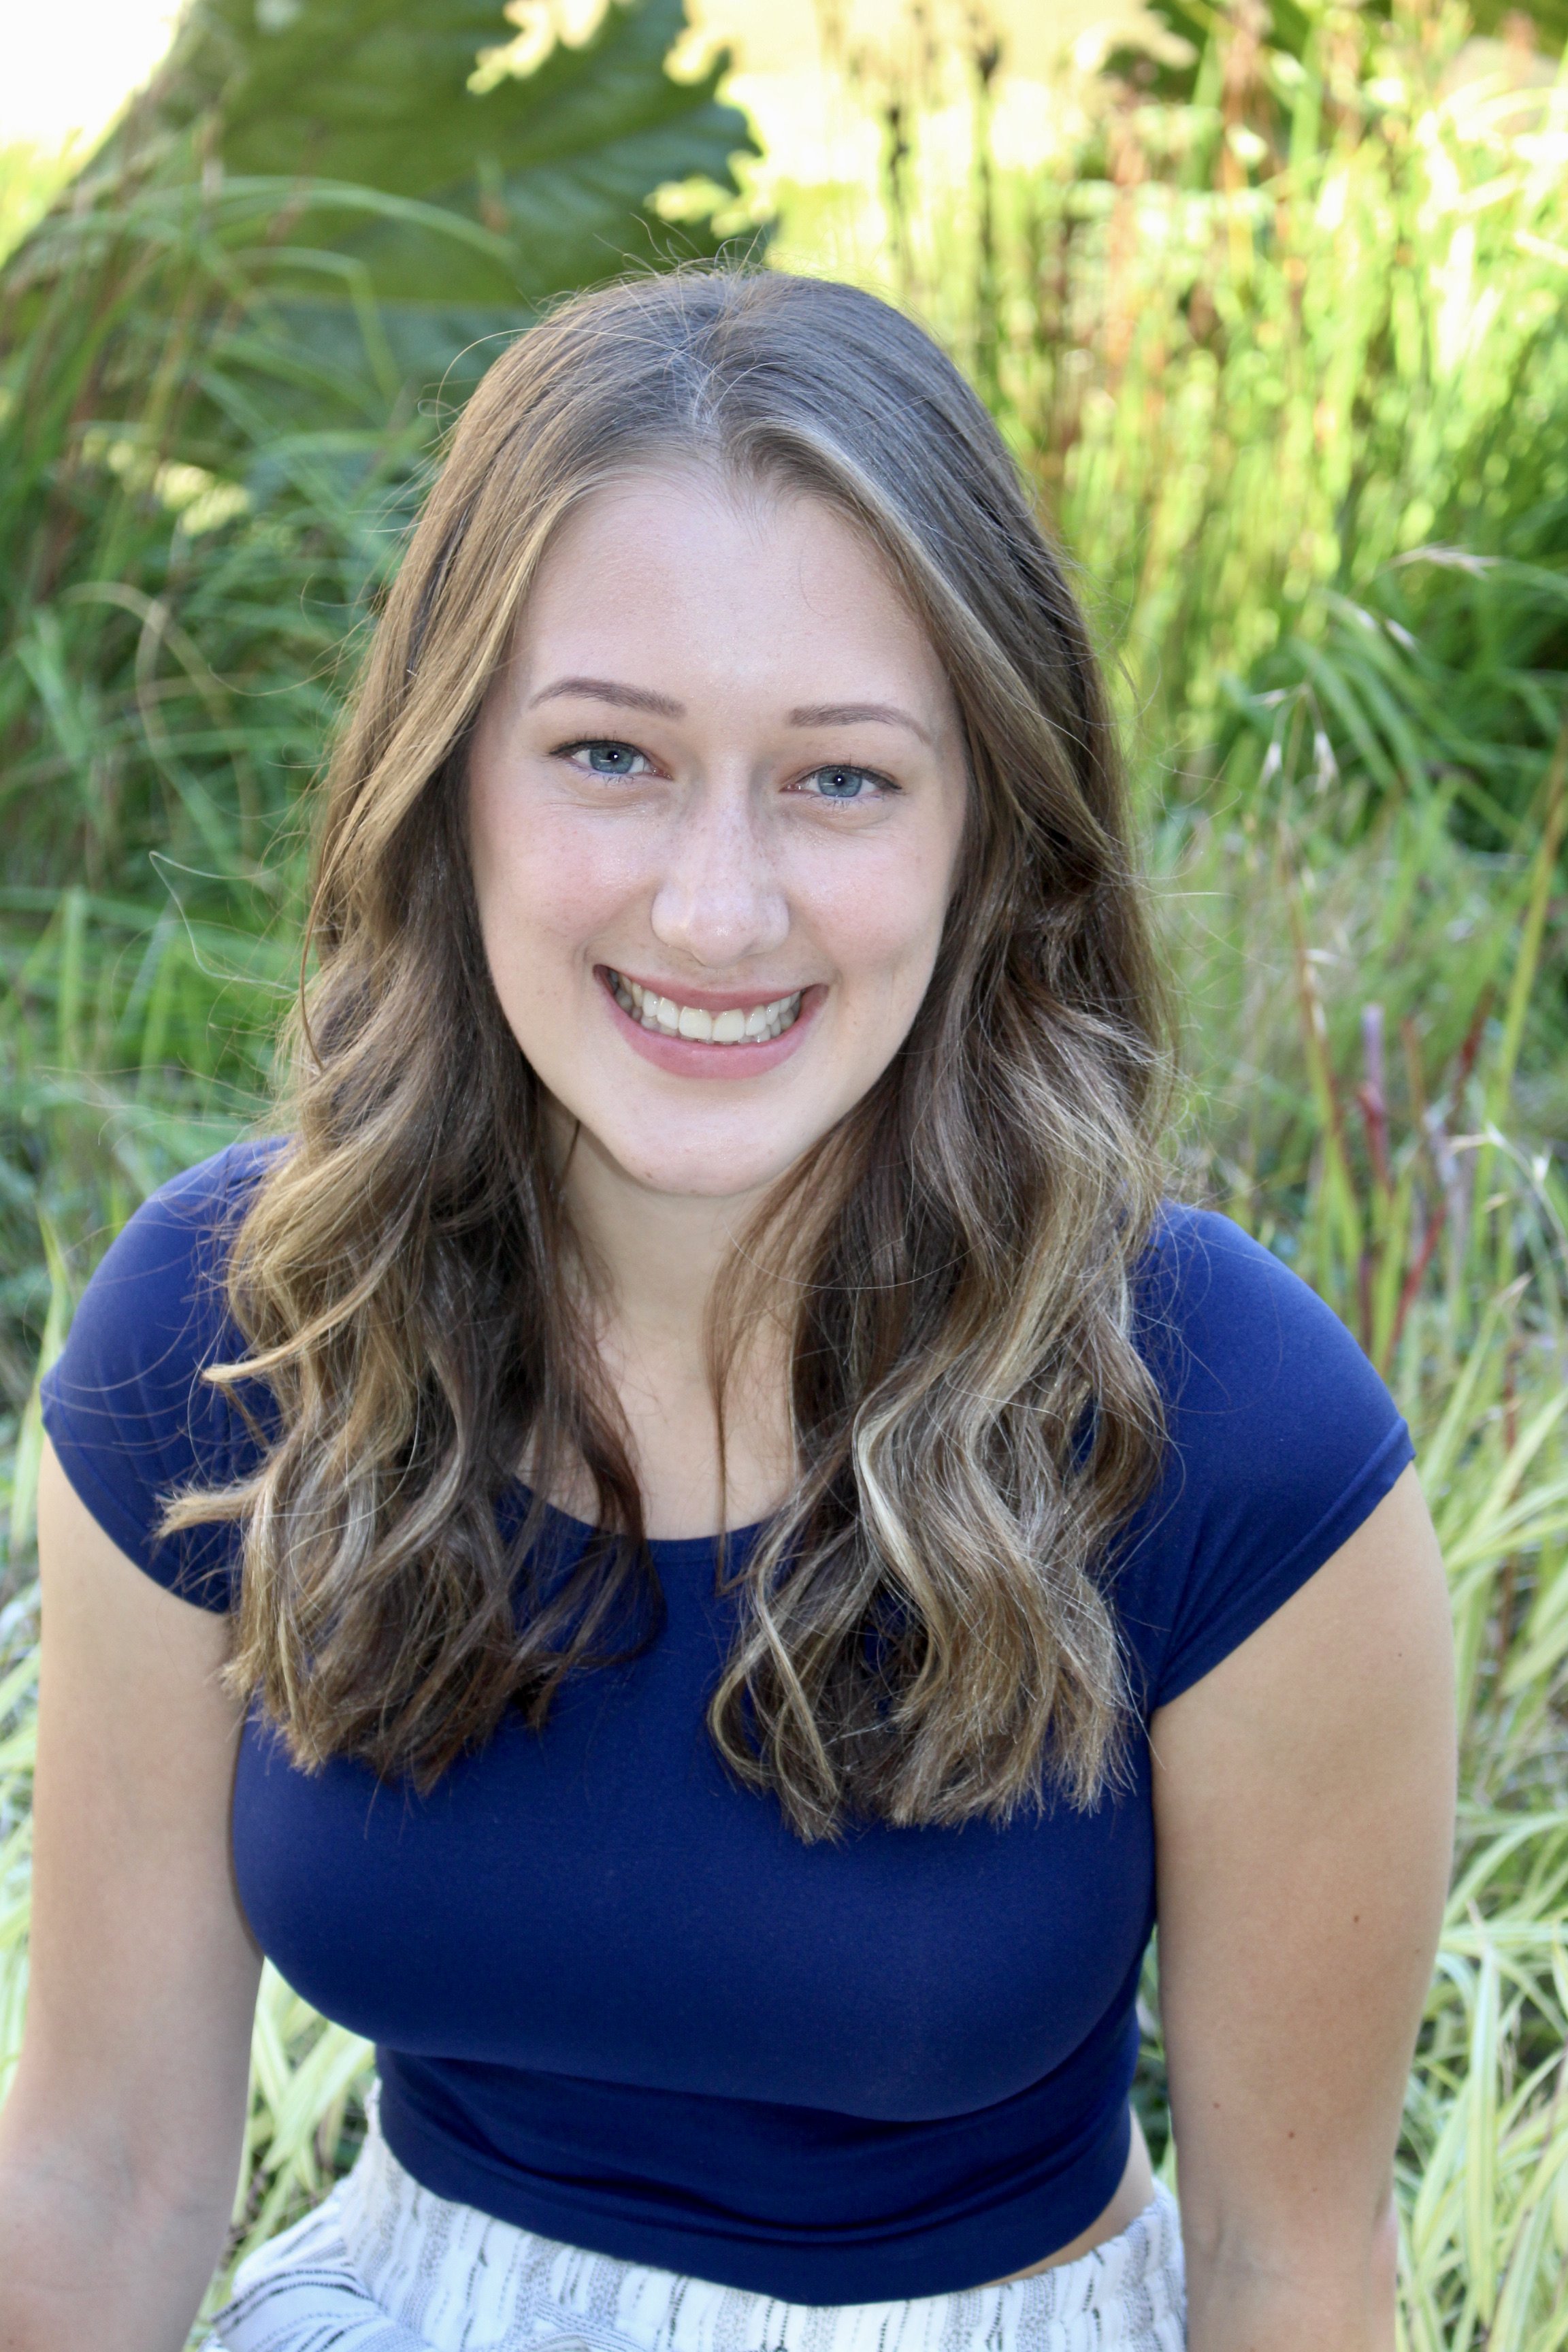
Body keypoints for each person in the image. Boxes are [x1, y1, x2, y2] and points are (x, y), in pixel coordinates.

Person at [0, 270, 1454, 2352]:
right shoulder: (230, 1340)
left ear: (990, 832)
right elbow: (103, 2167)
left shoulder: (1228, 1433)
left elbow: (1287, 2272)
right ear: (451, 783)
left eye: (842, 779)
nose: (714, 907)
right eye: (609, 754)